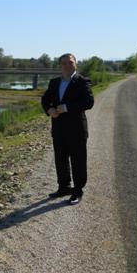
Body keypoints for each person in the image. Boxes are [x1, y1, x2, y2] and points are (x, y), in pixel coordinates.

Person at [41, 53, 94, 205]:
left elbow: (89, 102)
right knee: (60, 159)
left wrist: (67, 107)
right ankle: (63, 187)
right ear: (60, 65)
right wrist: (49, 109)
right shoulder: (54, 82)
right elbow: (45, 99)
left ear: (75, 64)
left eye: (70, 62)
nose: (66, 65)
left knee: (78, 160)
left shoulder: (82, 81)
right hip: (58, 129)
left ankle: (77, 190)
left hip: (76, 129)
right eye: (63, 63)